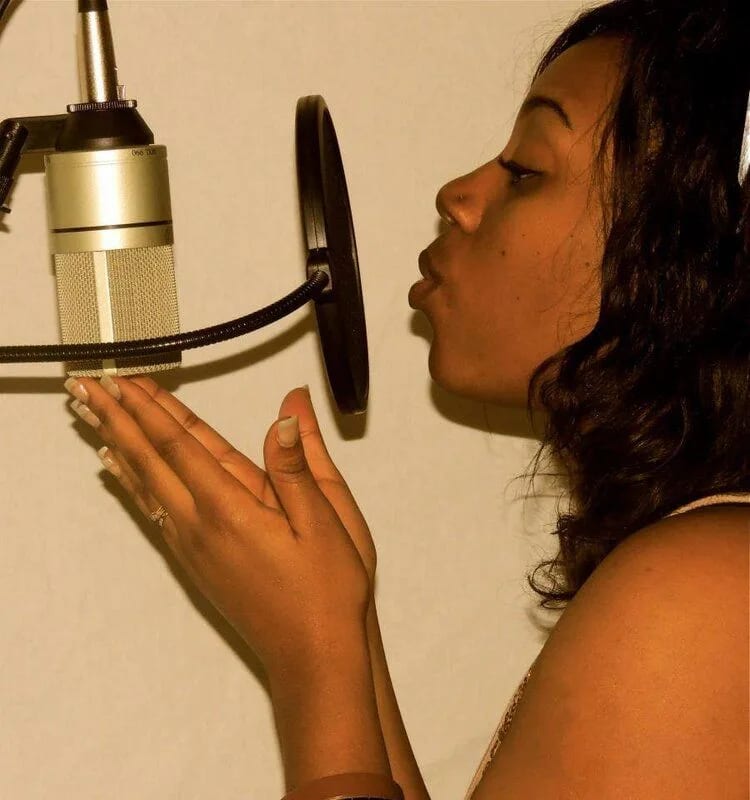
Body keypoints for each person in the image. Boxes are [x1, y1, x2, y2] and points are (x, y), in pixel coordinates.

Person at [61, 0, 749, 798]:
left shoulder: (705, 592)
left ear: (691, 257)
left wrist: (312, 655)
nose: (458, 194)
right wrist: (342, 623)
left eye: (526, 169)